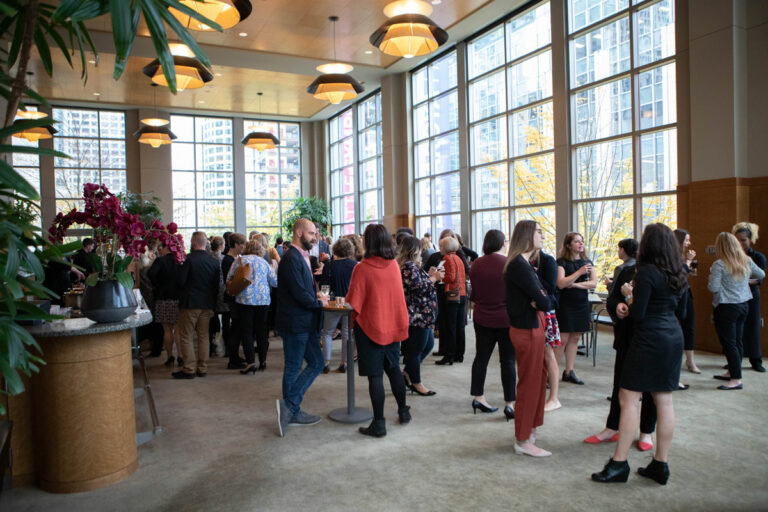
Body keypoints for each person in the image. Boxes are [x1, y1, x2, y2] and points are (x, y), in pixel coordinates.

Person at [592, 223, 687, 485]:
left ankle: (619, 463)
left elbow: (639, 313)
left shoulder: (645, 272)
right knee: (664, 400)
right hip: (672, 337)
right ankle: (661, 464)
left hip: (649, 338)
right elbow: (683, 312)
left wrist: (628, 297)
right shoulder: (679, 272)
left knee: (628, 398)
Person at [584, 239, 657, 452]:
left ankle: (646, 431)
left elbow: (659, 307)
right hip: (627, 335)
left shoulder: (663, 276)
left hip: (651, 338)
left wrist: (631, 297)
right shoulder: (627, 272)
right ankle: (612, 427)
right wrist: (618, 306)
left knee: (650, 387)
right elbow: (612, 298)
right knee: (620, 383)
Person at [346, 224, 411, 437]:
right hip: (392, 327)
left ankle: (379, 423)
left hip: (370, 328)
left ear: (367, 242)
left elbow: (353, 303)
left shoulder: (362, 268)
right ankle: (403, 412)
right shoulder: (393, 265)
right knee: (393, 370)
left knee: (375, 376)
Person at [275, 219, 329, 437]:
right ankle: (291, 409)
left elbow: (301, 289)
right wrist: (318, 302)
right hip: (296, 323)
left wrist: (315, 296)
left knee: (316, 362)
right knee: (294, 366)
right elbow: (297, 293)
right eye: (310, 233)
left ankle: (290, 407)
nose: (315, 237)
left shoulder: (302, 256)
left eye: (315, 234)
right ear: (298, 233)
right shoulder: (291, 258)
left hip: (304, 322)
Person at [504, 220, 553, 457]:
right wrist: (540, 299)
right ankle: (522, 440)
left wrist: (541, 298)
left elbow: (546, 295)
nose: (542, 236)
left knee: (538, 378)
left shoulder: (525, 264)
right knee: (529, 383)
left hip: (534, 325)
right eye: (538, 232)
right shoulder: (518, 265)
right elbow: (544, 301)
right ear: (526, 236)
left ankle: (529, 429)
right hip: (526, 328)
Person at [708, 232, 765, 390]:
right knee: (737, 340)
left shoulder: (719, 264)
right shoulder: (746, 260)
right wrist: (743, 281)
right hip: (744, 305)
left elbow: (713, 287)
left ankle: (736, 379)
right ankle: (734, 371)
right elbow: (761, 274)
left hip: (726, 307)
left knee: (729, 343)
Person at [470, 229, 516, 418]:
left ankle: (478, 397)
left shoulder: (476, 264)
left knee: (481, 358)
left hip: (482, 317)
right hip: (505, 318)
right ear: (503, 243)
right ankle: (510, 403)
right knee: (508, 361)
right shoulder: (509, 264)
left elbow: (474, 294)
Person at [399, 235, 442, 396]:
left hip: (423, 317)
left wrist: (428, 274)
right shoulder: (408, 266)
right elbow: (417, 287)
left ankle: (407, 373)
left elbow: (419, 282)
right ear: (414, 250)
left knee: (428, 345)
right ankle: (416, 382)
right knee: (415, 351)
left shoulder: (412, 266)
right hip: (416, 316)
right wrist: (434, 278)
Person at [174, 232, 221, 379]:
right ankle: (202, 367)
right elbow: (216, 286)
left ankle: (189, 368)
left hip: (190, 304)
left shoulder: (188, 259)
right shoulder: (214, 262)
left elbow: (180, 282)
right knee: (203, 335)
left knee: (186, 335)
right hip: (207, 304)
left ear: (194, 242)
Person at [228, 239, 278, 374]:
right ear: (261, 249)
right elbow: (275, 282)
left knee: (247, 332)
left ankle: (250, 362)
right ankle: (263, 361)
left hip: (245, 300)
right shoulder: (264, 263)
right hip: (263, 300)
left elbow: (229, 279)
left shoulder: (240, 261)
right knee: (262, 331)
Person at [556, 232, 596, 385]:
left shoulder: (588, 262)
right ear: (568, 245)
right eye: (577, 241)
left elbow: (593, 284)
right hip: (566, 304)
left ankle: (569, 371)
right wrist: (579, 273)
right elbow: (560, 283)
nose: (580, 244)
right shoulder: (561, 262)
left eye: (582, 241)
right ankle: (552, 372)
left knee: (575, 338)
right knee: (563, 339)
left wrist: (574, 285)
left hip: (581, 304)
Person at [532, 239, 562, 413]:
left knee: (548, 354)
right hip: (531, 313)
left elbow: (551, 288)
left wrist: (533, 276)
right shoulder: (523, 261)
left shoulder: (548, 261)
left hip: (546, 311)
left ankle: (554, 398)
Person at [319, 238, 358, 373]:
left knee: (327, 332)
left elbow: (324, 287)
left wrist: (324, 299)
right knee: (347, 333)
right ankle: (344, 362)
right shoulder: (355, 265)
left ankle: (326, 362)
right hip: (349, 304)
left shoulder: (329, 266)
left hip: (332, 303)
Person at [732, 222, 766, 372]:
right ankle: (735, 360)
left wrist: (741, 281)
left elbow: (758, 280)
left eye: (743, 240)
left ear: (750, 240)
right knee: (735, 331)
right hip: (734, 297)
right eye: (737, 239)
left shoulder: (758, 257)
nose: (740, 243)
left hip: (751, 297)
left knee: (752, 328)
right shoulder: (732, 256)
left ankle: (756, 360)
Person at [434, 236, 467, 365]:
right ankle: (459, 354)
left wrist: (439, 277)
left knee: (450, 327)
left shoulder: (447, 259)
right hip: (462, 294)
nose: (439, 248)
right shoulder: (458, 258)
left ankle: (449, 355)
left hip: (452, 295)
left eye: (441, 246)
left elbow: (451, 277)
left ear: (446, 247)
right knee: (459, 326)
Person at [149, 241, 182, 367]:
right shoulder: (179, 260)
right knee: (178, 329)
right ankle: (180, 356)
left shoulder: (160, 261)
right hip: (178, 298)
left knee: (166, 330)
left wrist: (158, 285)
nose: (159, 251)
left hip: (163, 298)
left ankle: (170, 357)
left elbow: (150, 274)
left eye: (160, 248)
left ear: (165, 247)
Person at [673, 229, 700, 375]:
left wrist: (690, 268)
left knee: (689, 326)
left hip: (686, 293)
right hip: (675, 295)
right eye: (687, 240)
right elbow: (678, 274)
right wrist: (688, 262)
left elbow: (684, 275)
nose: (689, 243)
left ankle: (690, 360)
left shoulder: (683, 255)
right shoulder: (670, 255)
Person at [222, 233, 246, 369]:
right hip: (233, 299)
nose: (243, 247)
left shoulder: (234, 259)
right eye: (242, 244)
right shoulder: (228, 261)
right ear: (236, 245)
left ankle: (235, 356)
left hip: (235, 298)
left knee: (237, 329)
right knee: (235, 329)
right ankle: (233, 358)